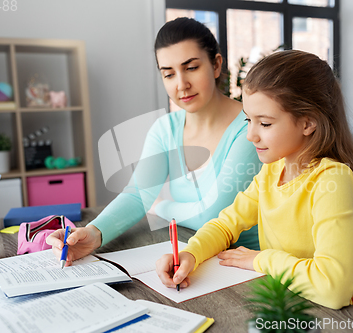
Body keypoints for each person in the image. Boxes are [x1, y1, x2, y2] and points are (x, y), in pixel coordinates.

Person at [155, 50, 353, 310]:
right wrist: (191, 254)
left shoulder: (332, 181)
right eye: (248, 120)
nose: (250, 135)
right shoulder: (272, 171)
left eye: (264, 123)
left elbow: (334, 289)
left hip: (329, 314)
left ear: (307, 123)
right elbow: (226, 224)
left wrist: (261, 260)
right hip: (284, 301)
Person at [46, 17, 261, 265]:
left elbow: (213, 216)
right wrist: (93, 233)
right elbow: (138, 194)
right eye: (169, 74)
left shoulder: (250, 127)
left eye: (191, 68)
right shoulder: (165, 128)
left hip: (246, 268)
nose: (182, 85)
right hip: (195, 256)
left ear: (215, 65)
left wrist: (160, 207)